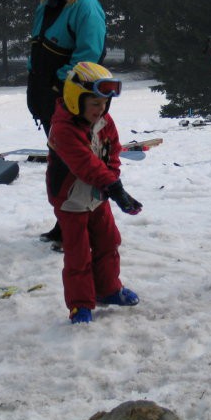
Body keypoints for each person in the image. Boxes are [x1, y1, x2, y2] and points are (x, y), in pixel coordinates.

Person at [47, 62, 141, 324]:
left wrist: (113, 178)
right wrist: (115, 188)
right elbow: (85, 165)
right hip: (71, 200)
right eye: (95, 104)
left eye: (105, 104)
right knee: (78, 254)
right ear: (76, 100)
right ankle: (80, 304)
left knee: (109, 241)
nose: (101, 110)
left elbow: (113, 152)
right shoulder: (63, 128)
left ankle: (109, 289)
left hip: (98, 196)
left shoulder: (104, 121)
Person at [26, 0, 106, 250]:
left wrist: (59, 85)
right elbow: (39, 46)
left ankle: (80, 229)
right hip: (47, 99)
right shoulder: (48, 3)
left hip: (71, 100)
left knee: (75, 164)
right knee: (58, 164)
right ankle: (64, 222)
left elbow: (89, 56)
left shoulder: (85, 7)